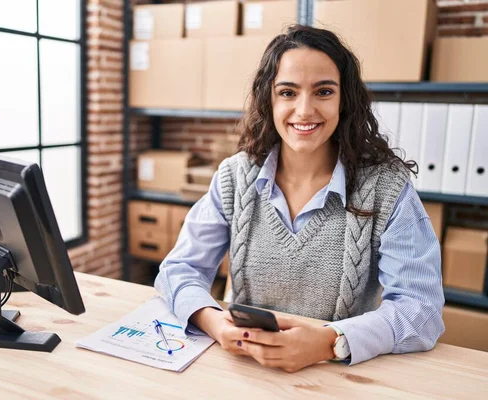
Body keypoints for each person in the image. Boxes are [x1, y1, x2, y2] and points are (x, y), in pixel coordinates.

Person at [154, 25, 444, 372]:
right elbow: (179, 269)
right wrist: (214, 323)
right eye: (288, 92)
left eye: (323, 91)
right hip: (247, 367)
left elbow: (421, 308)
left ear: (344, 100)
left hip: (342, 375)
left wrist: (330, 342)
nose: (304, 110)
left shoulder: (387, 187)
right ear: (269, 99)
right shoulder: (235, 176)